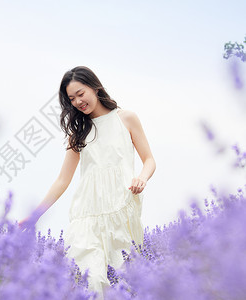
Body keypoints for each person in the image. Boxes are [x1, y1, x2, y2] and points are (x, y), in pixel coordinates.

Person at [18, 66, 156, 298]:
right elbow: (63, 180)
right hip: (86, 214)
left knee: (122, 281)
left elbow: (149, 159)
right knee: (90, 279)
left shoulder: (126, 118)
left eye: (80, 94)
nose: (78, 102)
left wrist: (141, 178)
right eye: (72, 99)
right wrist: (35, 215)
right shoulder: (78, 134)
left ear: (95, 86)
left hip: (120, 210)